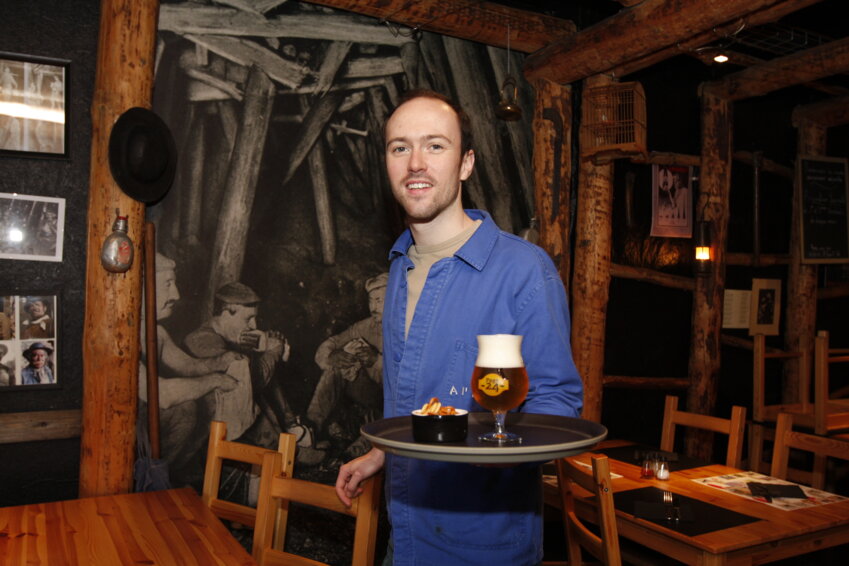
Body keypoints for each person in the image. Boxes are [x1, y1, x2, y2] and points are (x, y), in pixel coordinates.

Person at [335, 90, 583, 565]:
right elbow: (415, 403)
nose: (415, 164)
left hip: (483, 546)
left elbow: (559, 406)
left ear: (466, 163)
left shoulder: (524, 270)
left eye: (435, 145)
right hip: (403, 536)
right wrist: (382, 456)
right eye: (399, 147)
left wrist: (484, 451)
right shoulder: (398, 270)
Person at [184, 282, 324, 465]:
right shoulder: (202, 341)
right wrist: (273, 351)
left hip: (225, 416)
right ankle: (286, 450)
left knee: (258, 368)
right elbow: (252, 381)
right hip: (205, 429)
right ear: (227, 313)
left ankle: (290, 432)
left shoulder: (225, 335)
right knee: (253, 381)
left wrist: (268, 350)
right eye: (248, 319)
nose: (253, 325)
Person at [140, 253, 242, 476]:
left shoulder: (156, 331)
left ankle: (173, 473)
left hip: (148, 427)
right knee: (185, 409)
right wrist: (215, 379)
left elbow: (188, 366)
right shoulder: (121, 337)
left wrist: (221, 361)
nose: (176, 294)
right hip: (128, 435)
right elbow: (162, 395)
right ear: (142, 288)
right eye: (167, 284)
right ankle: (153, 478)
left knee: (209, 401)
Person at [307, 272, 387, 459]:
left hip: (396, 401)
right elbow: (330, 344)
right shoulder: (365, 326)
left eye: (380, 301)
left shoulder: (410, 329)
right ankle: (308, 431)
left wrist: (376, 360)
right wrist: (332, 355)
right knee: (336, 366)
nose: (373, 307)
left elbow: (410, 382)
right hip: (370, 393)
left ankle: (357, 450)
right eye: (371, 301)